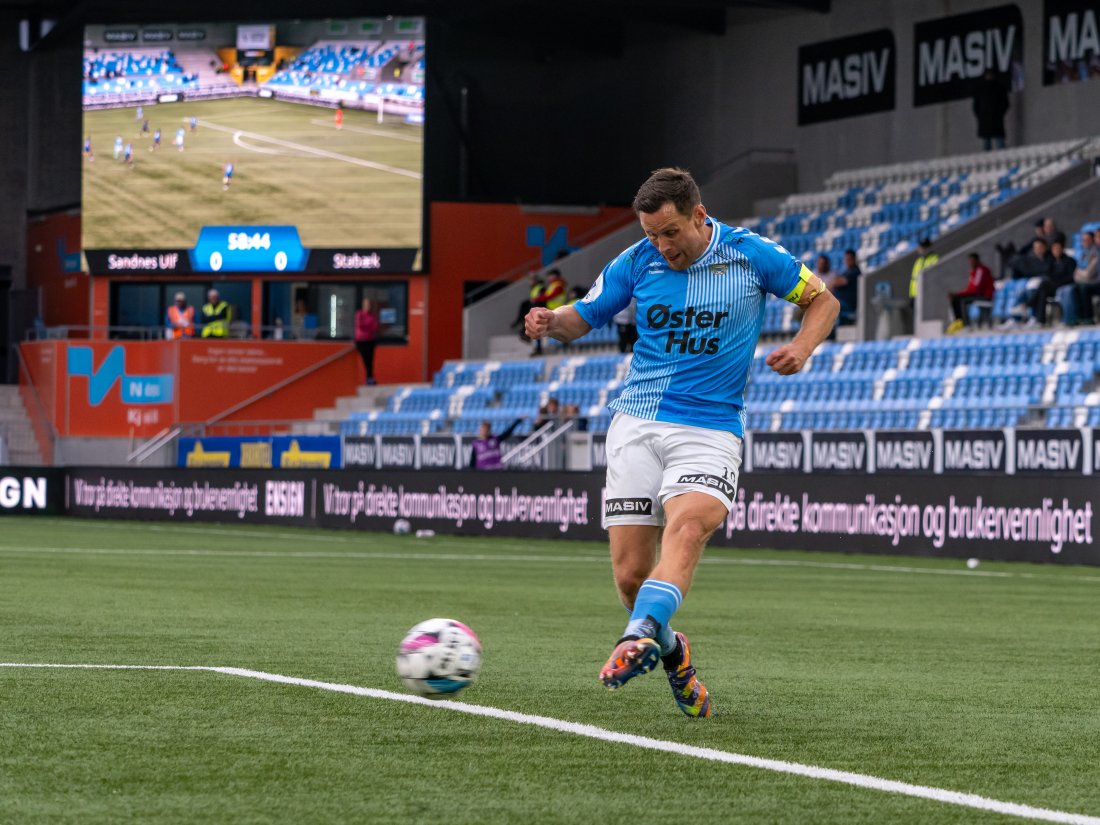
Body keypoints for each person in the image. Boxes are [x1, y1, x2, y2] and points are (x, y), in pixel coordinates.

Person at [525, 167, 838, 717]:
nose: (661, 246)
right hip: (636, 425)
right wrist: (551, 321)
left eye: (670, 232)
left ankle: (638, 634)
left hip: (710, 428)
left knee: (688, 527)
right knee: (629, 578)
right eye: (651, 234)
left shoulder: (751, 254)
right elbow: (584, 319)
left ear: (698, 215)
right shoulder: (636, 261)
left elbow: (823, 302)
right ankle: (670, 646)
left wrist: (803, 347)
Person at [1024, 239, 1077, 326]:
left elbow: (1070, 277)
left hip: (1065, 284)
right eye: (1054, 249)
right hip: (1053, 286)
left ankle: (1030, 306)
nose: (1056, 251)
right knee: (1042, 290)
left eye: (1058, 248)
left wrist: (1057, 280)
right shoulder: (1051, 262)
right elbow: (1048, 274)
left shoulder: (1069, 261)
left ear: (1062, 249)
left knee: (1043, 286)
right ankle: (1040, 320)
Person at [946, 253, 995, 333]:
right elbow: (970, 288)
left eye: (972, 261)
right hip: (977, 294)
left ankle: (967, 325)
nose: (970, 263)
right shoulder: (973, 271)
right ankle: (959, 322)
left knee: (963, 301)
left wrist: (958, 294)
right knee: (955, 299)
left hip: (985, 296)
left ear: (977, 260)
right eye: (969, 261)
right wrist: (957, 294)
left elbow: (976, 288)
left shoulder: (981, 270)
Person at [972, 69, 1009, 151]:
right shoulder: (981, 89)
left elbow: (1005, 104)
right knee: (987, 144)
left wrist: (999, 113)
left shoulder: (998, 88)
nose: (989, 77)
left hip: (994, 119)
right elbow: (976, 106)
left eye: (990, 75)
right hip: (986, 120)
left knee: (999, 143)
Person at [1069, 230, 1100, 325]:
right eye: (1096, 237)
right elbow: (1077, 272)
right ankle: (1079, 317)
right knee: (1075, 288)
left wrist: (1079, 273)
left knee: (1084, 288)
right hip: (1093, 282)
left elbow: (1089, 273)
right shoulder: (1084, 253)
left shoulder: (1095, 253)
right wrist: (1080, 273)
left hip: (1095, 282)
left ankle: (1088, 317)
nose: (1097, 239)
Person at [825, 248, 861, 324]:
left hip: (848, 304)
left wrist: (834, 282)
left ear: (854, 259)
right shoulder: (846, 271)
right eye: (846, 259)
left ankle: (831, 333)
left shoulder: (855, 271)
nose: (847, 261)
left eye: (849, 259)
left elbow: (840, 282)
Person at [909, 238, 939, 311]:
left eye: (923, 247)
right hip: (915, 294)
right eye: (920, 246)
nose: (920, 249)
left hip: (925, 295)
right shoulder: (918, 261)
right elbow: (913, 279)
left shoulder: (934, 259)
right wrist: (911, 295)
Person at [354, 297, 379, 385]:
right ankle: (369, 377)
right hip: (361, 340)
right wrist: (368, 328)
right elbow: (360, 326)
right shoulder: (359, 314)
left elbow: (374, 328)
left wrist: (367, 328)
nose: (367, 306)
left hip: (370, 340)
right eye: (365, 304)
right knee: (365, 359)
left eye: (368, 305)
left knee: (370, 360)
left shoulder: (373, 316)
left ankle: (369, 377)